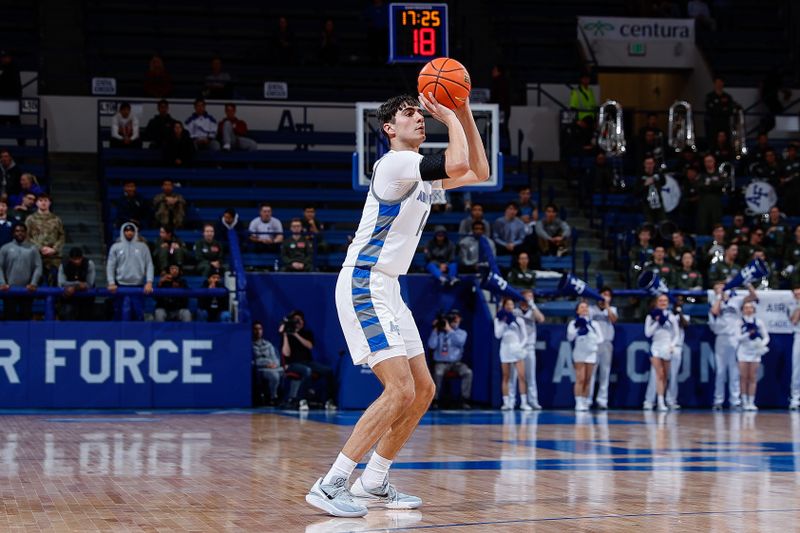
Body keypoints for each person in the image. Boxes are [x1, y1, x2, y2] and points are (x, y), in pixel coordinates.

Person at [310, 92, 489, 517]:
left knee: (424, 389)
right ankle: (333, 482)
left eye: (420, 113)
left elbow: (478, 171)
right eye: (410, 114)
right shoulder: (395, 163)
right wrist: (449, 115)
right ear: (389, 128)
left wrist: (462, 112)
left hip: (390, 286)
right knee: (399, 388)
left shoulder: (419, 175)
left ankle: (373, 480)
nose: (419, 119)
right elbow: (457, 163)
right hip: (364, 282)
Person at [708, 282, 757, 410]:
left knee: (734, 371)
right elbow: (714, 312)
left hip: (735, 338)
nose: (721, 289)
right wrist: (719, 297)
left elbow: (753, 296)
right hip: (721, 338)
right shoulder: (715, 302)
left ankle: (735, 400)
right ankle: (718, 400)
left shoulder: (736, 301)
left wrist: (747, 284)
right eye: (718, 287)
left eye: (722, 287)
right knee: (720, 371)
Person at [281, 309, 336, 410]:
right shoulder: (287, 336)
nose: (298, 322)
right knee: (307, 371)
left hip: (308, 362)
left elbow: (309, 346)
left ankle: (329, 400)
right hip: (293, 364)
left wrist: (296, 334)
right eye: (295, 320)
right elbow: (286, 353)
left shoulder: (307, 333)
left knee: (328, 371)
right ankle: (302, 400)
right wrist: (285, 334)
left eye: (300, 320)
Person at [106, 222, 154, 321]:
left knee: (138, 314)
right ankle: (121, 336)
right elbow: (110, 266)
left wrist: (149, 282)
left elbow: (149, 264)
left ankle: (139, 336)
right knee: (121, 313)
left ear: (135, 231)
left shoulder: (143, 247)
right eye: (127, 231)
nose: (129, 233)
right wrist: (111, 282)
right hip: (121, 286)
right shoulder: (116, 247)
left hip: (138, 286)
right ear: (123, 232)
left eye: (131, 230)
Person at [509, 290, 545, 410]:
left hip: (529, 346)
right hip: (516, 347)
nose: (529, 298)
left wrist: (532, 305)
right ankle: (511, 400)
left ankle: (533, 401)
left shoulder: (533, 311)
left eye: (531, 296)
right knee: (514, 376)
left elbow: (541, 319)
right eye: (527, 296)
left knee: (530, 376)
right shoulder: (515, 311)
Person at [428, 309, 471, 409]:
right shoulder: (439, 332)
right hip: (441, 363)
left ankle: (465, 400)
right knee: (438, 372)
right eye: (452, 318)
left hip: (456, 363)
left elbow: (460, 342)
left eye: (456, 318)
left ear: (460, 319)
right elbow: (431, 345)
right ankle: (435, 400)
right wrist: (435, 329)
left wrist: (449, 330)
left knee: (468, 372)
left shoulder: (461, 333)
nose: (454, 320)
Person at [644, 294, 681, 412]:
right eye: (660, 300)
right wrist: (657, 322)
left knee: (665, 375)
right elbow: (648, 333)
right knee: (658, 374)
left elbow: (676, 334)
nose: (663, 302)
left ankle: (662, 398)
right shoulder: (651, 316)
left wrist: (672, 345)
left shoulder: (672, 317)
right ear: (656, 302)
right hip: (656, 346)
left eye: (665, 301)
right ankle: (659, 402)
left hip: (667, 347)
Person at [495, 297, 531, 411]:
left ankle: (524, 402)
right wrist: (504, 322)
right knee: (506, 376)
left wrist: (519, 347)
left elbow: (525, 336)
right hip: (505, 349)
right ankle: (507, 403)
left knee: (521, 376)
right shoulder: (499, 319)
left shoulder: (519, 319)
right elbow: (498, 335)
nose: (510, 307)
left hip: (516, 348)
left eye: (511, 305)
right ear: (504, 306)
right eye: (507, 305)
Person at [567, 301, 604, 411]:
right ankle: (578, 402)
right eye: (581, 307)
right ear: (577, 310)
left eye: (586, 307)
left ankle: (585, 401)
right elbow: (569, 337)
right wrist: (578, 329)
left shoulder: (594, 324)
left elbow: (601, 338)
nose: (584, 309)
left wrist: (593, 343)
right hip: (579, 353)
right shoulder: (573, 323)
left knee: (588, 379)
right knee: (580, 378)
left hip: (591, 353)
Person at [0, 224, 41, 320]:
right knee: (9, 317)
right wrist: (2, 283)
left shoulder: (33, 248)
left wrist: (33, 283)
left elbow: (38, 267)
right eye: (17, 231)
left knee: (26, 317)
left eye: (22, 231)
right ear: (13, 233)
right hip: (9, 290)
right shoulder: (5, 248)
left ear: (26, 233)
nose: (20, 233)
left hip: (27, 290)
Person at [735, 300, 770, 411]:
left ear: (753, 309)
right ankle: (744, 401)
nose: (748, 309)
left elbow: (766, 337)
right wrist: (748, 334)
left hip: (755, 352)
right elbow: (738, 338)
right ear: (742, 310)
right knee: (743, 377)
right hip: (743, 351)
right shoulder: (739, 322)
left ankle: (751, 402)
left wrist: (760, 345)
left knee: (753, 377)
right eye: (746, 307)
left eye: (750, 307)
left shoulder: (759, 322)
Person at [24, 193, 65, 284]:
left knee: (54, 282)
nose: (43, 203)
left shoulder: (56, 219)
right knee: (35, 283)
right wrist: (40, 248)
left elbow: (61, 236)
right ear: (36, 203)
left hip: (53, 258)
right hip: (36, 256)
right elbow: (27, 236)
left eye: (46, 200)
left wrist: (54, 249)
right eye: (41, 200)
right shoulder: (30, 219)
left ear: (49, 203)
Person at [588, 287, 617, 410]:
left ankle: (602, 400)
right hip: (593, 344)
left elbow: (614, 319)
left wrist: (607, 306)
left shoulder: (612, 309)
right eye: (603, 294)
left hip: (607, 343)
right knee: (591, 373)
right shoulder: (591, 309)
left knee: (605, 372)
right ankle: (588, 399)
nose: (605, 296)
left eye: (607, 295)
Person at [57, 247, 95, 321]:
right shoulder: (64, 265)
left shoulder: (89, 264)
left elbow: (90, 283)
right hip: (69, 296)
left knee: (85, 317)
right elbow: (61, 283)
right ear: (70, 258)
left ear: (82, 257)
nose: (77, 261)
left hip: (86, 297)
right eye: (74, 259)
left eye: (79, 259)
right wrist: (77, 284)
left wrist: (75, 287)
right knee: (68, 312)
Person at [252, 321, 283, 406]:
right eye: (255, 329)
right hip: (260, 369)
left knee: (283, 371)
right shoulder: (249, 345)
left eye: (260, 329)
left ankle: (287, 398)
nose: (258, 331)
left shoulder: (268, 344)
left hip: (272, 367)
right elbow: (252, 361)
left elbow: (275, 357)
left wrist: (275, 364)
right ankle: (273, 397)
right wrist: (266, 364)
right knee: (274, 375)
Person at [697, 153, 725, 235]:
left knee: (716, 222)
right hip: (704, 202)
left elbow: (721, 185)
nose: (708, 163)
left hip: (716, 202)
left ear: (714, 162)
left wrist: (709, 184)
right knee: (703, 223)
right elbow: (699, 186)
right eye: (706, 161)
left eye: (710, 161)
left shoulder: (719, 174)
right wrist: (713, 184)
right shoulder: (701, 175)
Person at [635, 156, 666, 224]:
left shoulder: (657, 173)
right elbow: (636, 192)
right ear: (644, 164)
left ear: (654, 164)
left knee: (664, 223)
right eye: (647, 163)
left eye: (651, 163)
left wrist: (657, 175)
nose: (649, 165)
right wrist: (645, 184)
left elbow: (664, 182)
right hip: (647, 204)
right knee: (649, 225)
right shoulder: (640, 175)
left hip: (658, 203)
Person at [790, 288, 800, 410]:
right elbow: (794, 320)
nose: (798, 295)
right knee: (797, 369)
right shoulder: (792, 306)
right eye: (796, 294)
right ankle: (795, 398)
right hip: (799, 336)